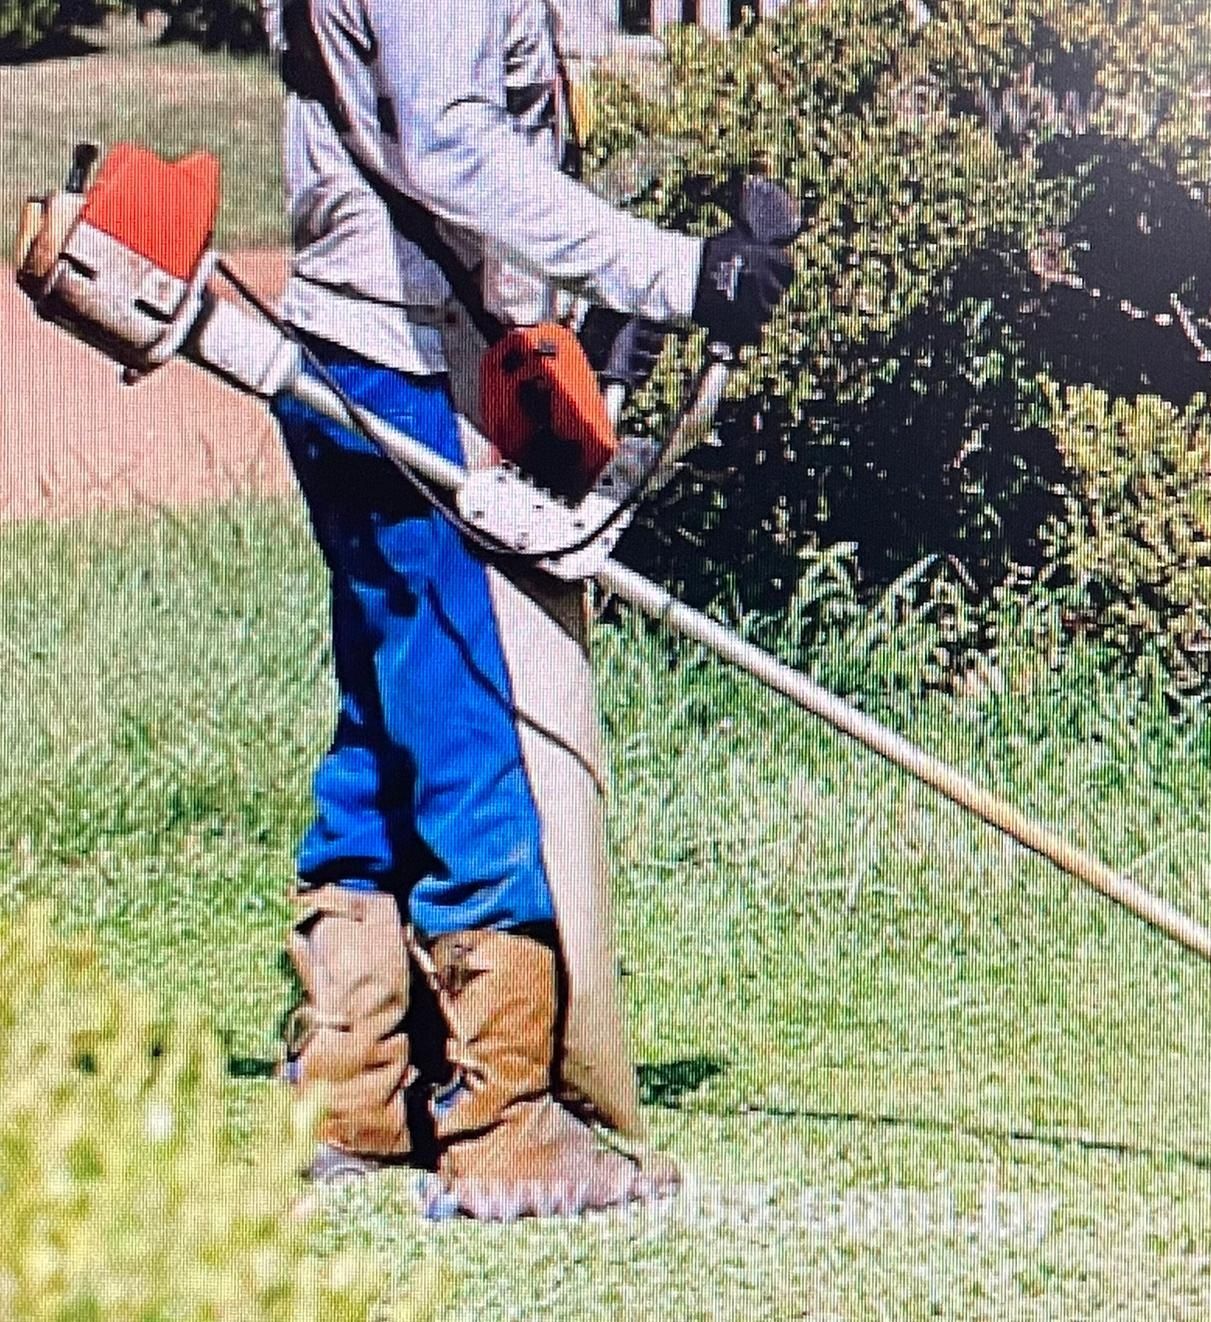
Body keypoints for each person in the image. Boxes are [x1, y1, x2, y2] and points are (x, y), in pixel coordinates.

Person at [261, 0, 793, 1220]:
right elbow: (448, 143)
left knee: (386, 723)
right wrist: (673, 273)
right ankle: (502, 1122)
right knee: (469, 721)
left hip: (357, 348)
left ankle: (352, 1081)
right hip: (395, 363)